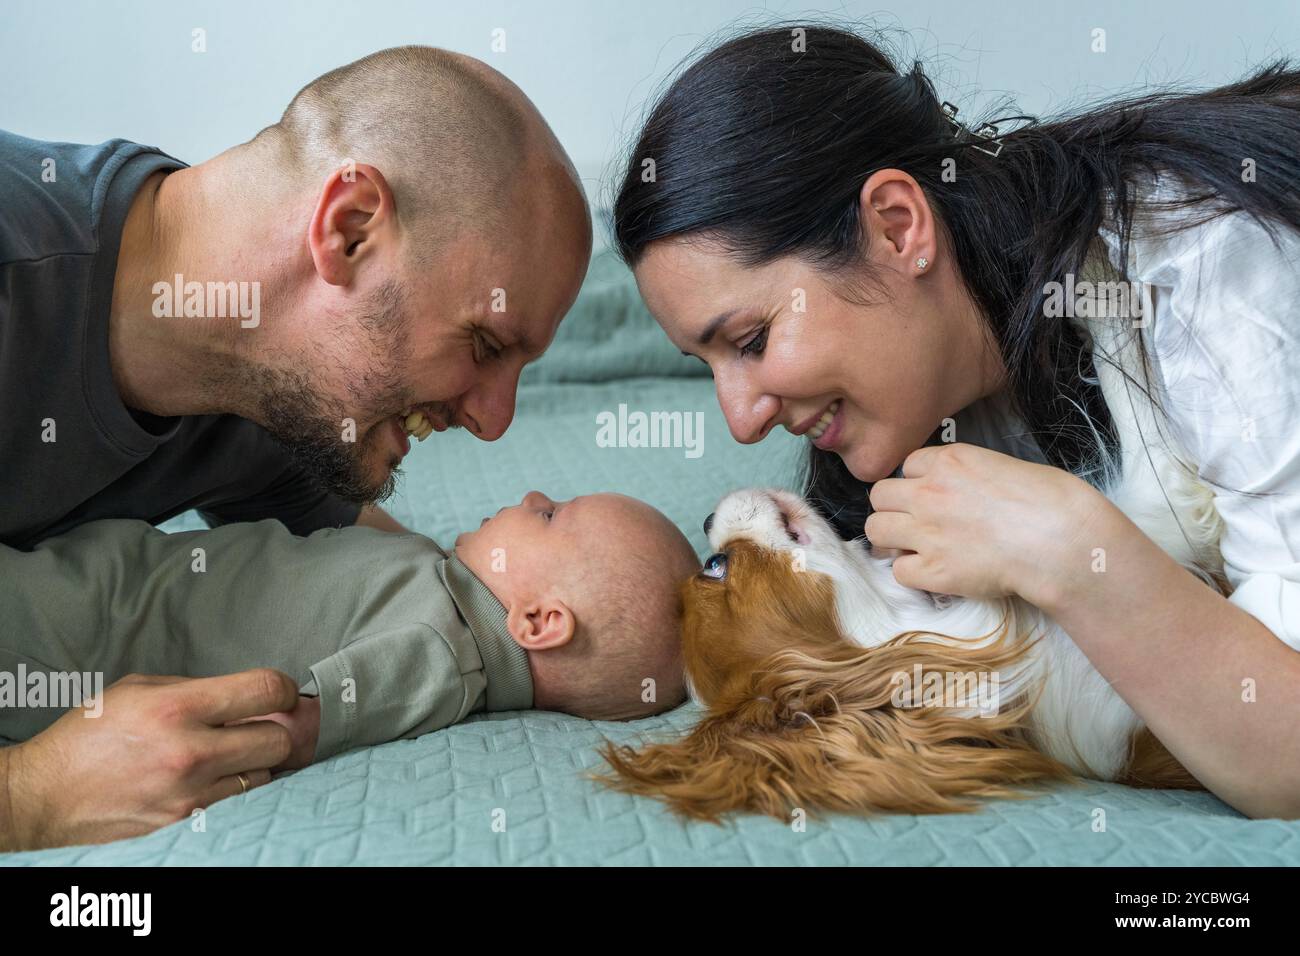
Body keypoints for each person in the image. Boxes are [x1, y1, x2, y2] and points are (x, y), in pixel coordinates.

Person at [612, 23, 1300, 818]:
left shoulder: (1217, 266)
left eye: (753, 340)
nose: (740, 422)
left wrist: (1072, 552)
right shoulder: (928, 427)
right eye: (709, 368)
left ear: (899, 227)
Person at [0, 46, 592, 846]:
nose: (495, 421)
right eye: (485, 345)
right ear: (347, 231)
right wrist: (31, 797)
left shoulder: (269, 397)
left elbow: (409, 582)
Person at [0, 490, 696, 848]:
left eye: (547, 515)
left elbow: (310, 714)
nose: (530, 494)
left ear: (539, 623)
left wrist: (293, 728)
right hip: (115, 589)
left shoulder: (443, 651)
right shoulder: (443, 585)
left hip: (89, 634)